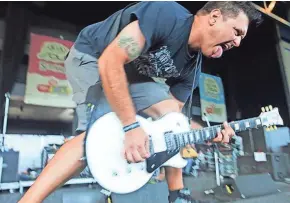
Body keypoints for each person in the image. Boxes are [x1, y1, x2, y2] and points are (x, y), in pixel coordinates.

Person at [19, 2, 262, 203]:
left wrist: (206, 133)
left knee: (174, 119)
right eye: (237, 32)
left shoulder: (192, 68)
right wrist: (130, 127)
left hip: (130, 75)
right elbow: (110, 61)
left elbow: (172, 122)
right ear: (215, 17)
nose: (238, 42)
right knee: (92, 140)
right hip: (91, 57)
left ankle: (176, 195)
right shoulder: (168, 15)